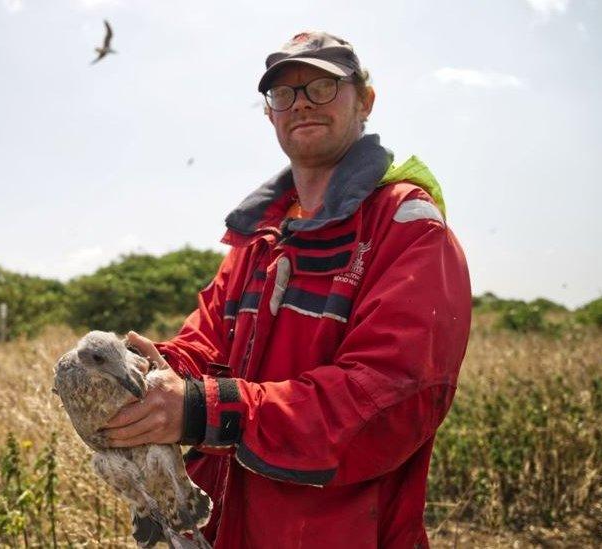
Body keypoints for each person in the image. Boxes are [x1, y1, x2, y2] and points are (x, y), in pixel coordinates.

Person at [101, 31, 472, 548]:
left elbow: (393, 397)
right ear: (271, 114)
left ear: (365, 101)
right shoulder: (258, 239)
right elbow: (203, 349)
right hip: (225, 528)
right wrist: (143, 375)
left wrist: (203, 409)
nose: (301, 103)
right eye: (284, 94)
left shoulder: (407, 225)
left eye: (322, 86)